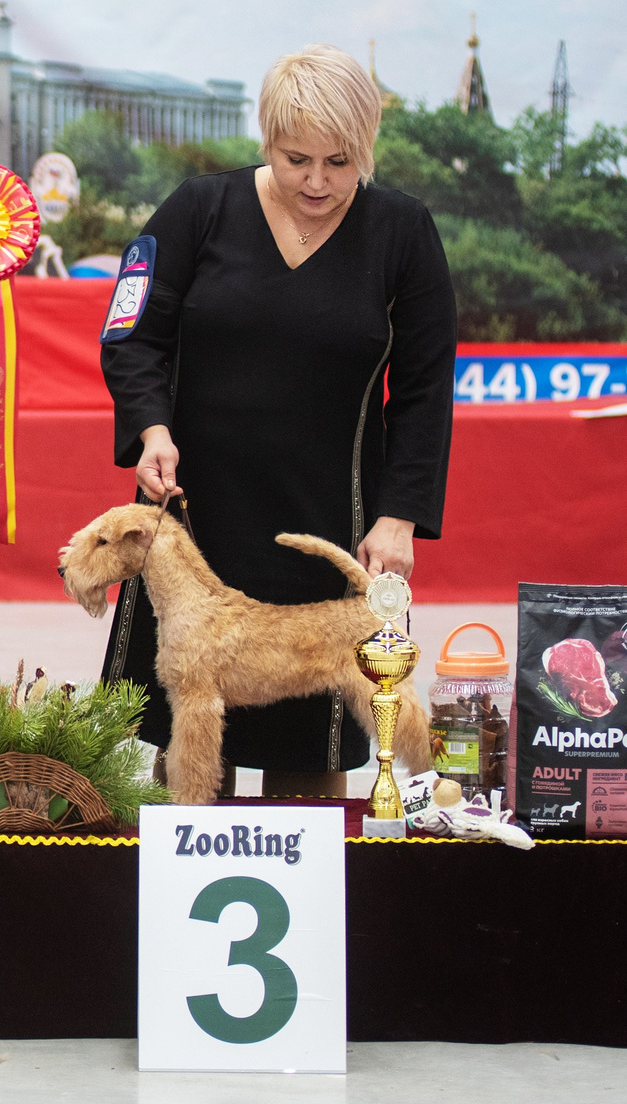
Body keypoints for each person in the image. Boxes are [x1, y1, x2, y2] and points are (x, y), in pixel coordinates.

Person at [99, 44, 455, 796]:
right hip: (196, 519)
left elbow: (425, 388)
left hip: (328, 526)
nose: (318, 182)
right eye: (297, 159)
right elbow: (133, 334)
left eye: (340, 161)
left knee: (311, 757)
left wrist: (399, 516)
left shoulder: (404, 232)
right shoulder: (198, 209)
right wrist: (151, 431)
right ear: (265, 140)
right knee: (195, 745)